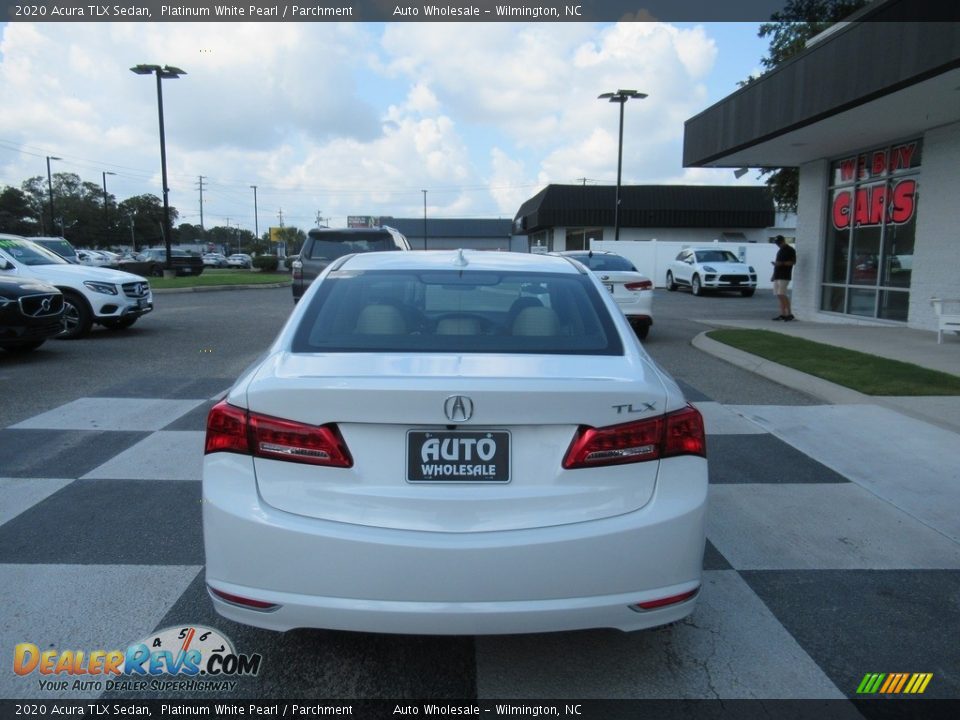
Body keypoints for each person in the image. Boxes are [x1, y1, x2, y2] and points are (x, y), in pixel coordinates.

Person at [771, 235, 796, 321]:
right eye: (777, 243)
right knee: (778, 294)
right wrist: (773, 275)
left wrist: (781, 264)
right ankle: (783, 314)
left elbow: (792, 262)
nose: (778, 245)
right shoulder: (780, 251)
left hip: (784, 275)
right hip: (777, 275)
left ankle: (789, 313)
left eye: (779, 243)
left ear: (783, 241)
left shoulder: (790, 250)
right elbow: (777, 263)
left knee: (782, 294)